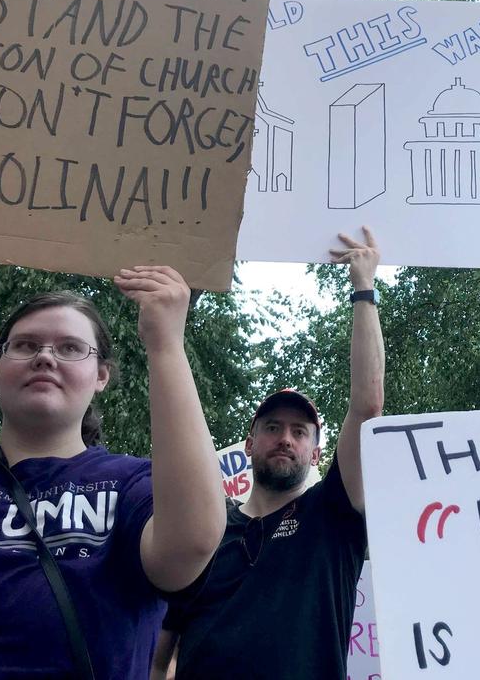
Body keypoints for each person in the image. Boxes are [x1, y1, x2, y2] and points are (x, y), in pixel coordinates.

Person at [0, 265, 226, 680]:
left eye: (70, 348)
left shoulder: (131, 485)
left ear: (101, 376)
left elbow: (190, 544)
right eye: (26, 345)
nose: (45, 356)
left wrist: (166, 343)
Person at [154, 227, 385, 680]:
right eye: (273, 427)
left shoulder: (332, 515)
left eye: (300, 431)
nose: (286, 438)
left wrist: (364, 289)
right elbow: (158, 658)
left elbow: (367, 405)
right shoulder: (204, 530)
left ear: (316, 452)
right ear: (248, 444)